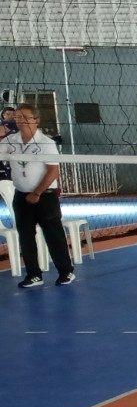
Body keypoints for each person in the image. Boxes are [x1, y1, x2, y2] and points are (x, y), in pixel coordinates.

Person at [4, 107, 76, 289]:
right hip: (21, 196)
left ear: (36, 120)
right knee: (26, 237)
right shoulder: (11, 140)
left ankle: (66, 272)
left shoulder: (46, 142)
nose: (21, 120)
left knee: (54, 236)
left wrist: (37, 193)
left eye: (25, 117)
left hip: (45, 197)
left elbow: (53, 171)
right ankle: (34, 275)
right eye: (18, 117)